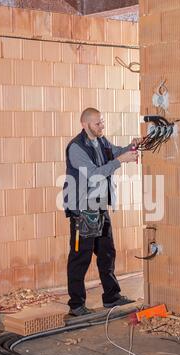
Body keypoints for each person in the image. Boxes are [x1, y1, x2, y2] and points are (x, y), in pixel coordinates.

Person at [63, 107, 142, 316]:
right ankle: (76, 305)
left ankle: (111, 296)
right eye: (97, 123)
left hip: (99, 206)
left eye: (102, 122)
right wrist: (120, 161)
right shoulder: (76, 148)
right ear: (85, 124)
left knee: (107, 253)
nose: (102, 126)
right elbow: (95, 175)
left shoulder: (101, 141)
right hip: (83, 209)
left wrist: (130, 147)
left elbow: (114, 152)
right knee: (81, 257)